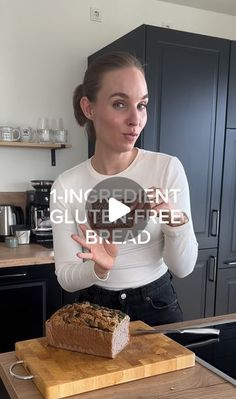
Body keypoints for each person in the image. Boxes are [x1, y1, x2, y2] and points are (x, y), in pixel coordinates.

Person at [50, 52, 198, 326]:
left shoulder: (167, 169)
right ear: (89, 108)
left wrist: (175, 222)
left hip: (158, 306)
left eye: (142, 105)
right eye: (120, 104)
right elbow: (67, 278)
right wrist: (98, 269)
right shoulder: (66, 185)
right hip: (96, 311)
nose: (136, 119)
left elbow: (183, 267)